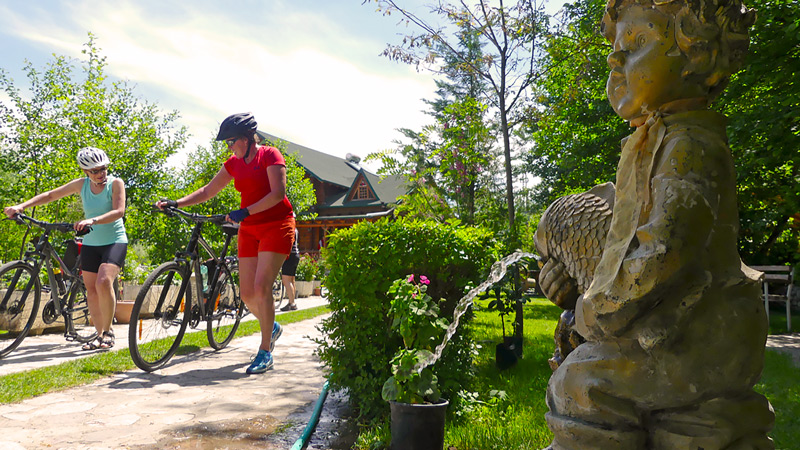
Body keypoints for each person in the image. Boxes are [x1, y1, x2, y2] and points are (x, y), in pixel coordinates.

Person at [539, 0, 774, 448]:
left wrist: (590, 313)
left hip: (704, 336)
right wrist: (576, 291)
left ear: (697, 55)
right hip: (680, 327)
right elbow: (627, 250)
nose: (615, 59)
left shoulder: (689, 147)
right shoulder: (658, 142)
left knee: (580, 384)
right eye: (615, 49)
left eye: (637, 43)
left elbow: (659, 255)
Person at [157, 112, 294, 375]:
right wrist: (177, 202)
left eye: (232, 141)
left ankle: (265, 350)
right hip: (249, 228)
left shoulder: (270, 155)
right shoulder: (233, 163)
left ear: (248, 138)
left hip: (276, 225)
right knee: (247, 294)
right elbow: (208, 191)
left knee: (261, 287)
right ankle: (272, 327)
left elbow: (278, 194)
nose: (229, 147)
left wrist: (246, 211)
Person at [4, 147, 128, 350]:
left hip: (115, 240)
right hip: (91, 242)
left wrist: (92, 220)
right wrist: (22, 206)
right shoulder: (82, 184)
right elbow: (51, 195)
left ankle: (108, 332)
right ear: (85, 171)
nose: (101, 173)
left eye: (103, 168)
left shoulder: (115, 183)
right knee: (91, 291)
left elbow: (119, 211)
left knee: (104, 281)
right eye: (95, 170)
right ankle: (99, 336)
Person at [280, 227, 300, 311]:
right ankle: (292, 301)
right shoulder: (295, 229)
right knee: (291, 280)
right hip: (296, 254)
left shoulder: (288, 228)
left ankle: (292, 303)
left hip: (289, 255)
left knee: (286, 280)